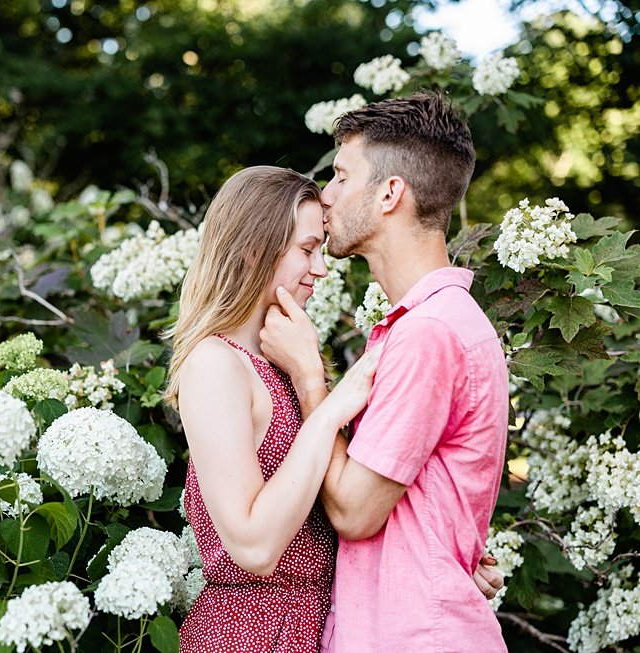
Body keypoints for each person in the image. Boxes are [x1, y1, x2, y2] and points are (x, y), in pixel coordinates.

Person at [259, 92, 510, 651]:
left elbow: (354, 510)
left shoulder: (429, 334)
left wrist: (308, 375)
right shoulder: (426, 324)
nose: (326, 196)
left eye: (342, 177)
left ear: (391, 193)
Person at [164, 165, 382, 652]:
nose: (321, 269)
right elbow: (253, 546)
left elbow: (344, 503)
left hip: (318, 626)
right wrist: (327, 410)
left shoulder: (285, 364)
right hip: (250, 635)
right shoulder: (214, 364)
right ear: (254, 250)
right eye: (307, 250)